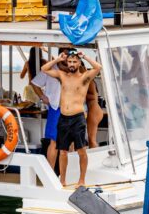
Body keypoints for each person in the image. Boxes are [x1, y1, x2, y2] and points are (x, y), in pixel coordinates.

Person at [41, 48, 102, 187]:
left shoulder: (85, 77)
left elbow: (98, 67)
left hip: (77, 118)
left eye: (74, 61)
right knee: (63, 151)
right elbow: (44, 69)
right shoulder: (62, 76)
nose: (72, 64)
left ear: (79, 62)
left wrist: (85, 56)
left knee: (81, 151)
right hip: (63, 118)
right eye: (69, 62)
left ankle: (81, 180)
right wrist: (57, 60)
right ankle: (62, 179)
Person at [32, 50, 63, 170]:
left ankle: (69, 174)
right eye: (65, 54)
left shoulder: (74, 68)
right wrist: (43, 97)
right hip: (56, 108)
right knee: (53, 142)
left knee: (71, 143)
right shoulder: (51, 68)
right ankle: (51, 173)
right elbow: (35, 83)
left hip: (72, 109)